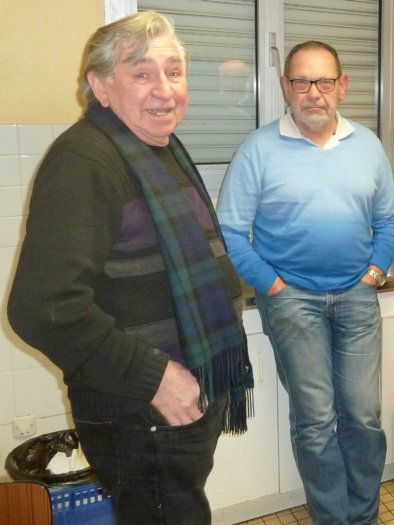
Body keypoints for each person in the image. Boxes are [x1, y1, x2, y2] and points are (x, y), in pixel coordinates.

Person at [7, 11, 253, 525]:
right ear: (100, 86)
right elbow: (41, 308)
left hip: (175, 403)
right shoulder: (86, 160)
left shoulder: (156, 148)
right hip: (139, 408)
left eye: (174, 71)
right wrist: (157, 378)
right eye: (141, 73)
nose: (164, 89)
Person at [215, 41, 394, 523]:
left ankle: (364, 517)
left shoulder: (367, 145)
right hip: (292, 301)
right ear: (285, 87)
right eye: (301, 81)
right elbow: (230, 230)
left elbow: (389, 218)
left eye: (324, 81)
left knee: (363, 416)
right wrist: (272, 285)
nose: (313, 92)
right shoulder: (257, 149)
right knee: (316, 421)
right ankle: (332, 518)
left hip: (357, 296)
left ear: (342, 86)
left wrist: (375, 271)